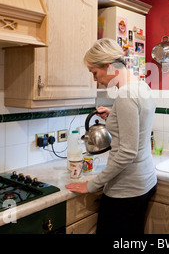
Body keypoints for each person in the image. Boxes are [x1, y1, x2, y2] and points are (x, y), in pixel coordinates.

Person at [65, 38, 157, 234]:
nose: (95, 79)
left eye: (95, 73)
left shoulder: (125, 95)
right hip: (145, 182)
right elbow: (137, 130)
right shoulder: (142, 87)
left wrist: (91, 185)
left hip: (125, 190)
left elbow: (127, 153)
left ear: (108, 66)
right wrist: (112, 116)